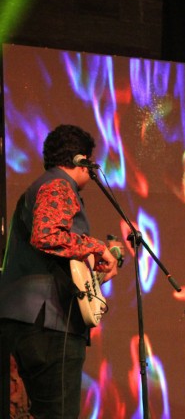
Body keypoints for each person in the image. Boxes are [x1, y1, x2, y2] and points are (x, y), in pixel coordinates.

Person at [0, 124, 121, 418]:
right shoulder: (58, 185)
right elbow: (46, 235)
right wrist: (97, 247)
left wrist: (98, 265)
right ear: (82, 161)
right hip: (48, 323)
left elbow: (59, 259)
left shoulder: (46, 186)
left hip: (30, 321)